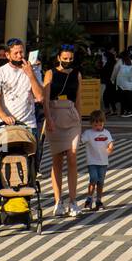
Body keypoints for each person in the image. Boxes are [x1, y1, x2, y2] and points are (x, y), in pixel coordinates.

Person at [0, 38, 44, 166]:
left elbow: (40, 97)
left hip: (29, 126)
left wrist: (30, 75)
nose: (19, 56)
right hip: (4, 127)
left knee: (30, 164)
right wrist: (4, 117)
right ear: (8, 55)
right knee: (0, 162)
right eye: (16, 53)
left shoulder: (33, 70)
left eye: (21, 53)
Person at [43, 44, 83, 218]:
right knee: (57, 159)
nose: (67, 61)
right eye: (64, 58)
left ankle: (73, 201)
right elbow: (44, 99)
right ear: (58, 57)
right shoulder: (50, 73)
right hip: (54, 116)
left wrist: (80, 119)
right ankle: (58, 201)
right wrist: (48, 119)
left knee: (73, 155)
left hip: (71, 116)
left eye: (70, 58)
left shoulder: (77, 74)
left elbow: (79, 98)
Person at [81, 109, 114, 212]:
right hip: (92, 161)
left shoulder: (106, 133)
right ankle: (89, 199)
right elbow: (81, 140)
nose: (98, 127)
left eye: (100, 124)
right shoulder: (88, 133)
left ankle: (98, 200)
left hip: (103, 162)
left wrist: (110, 148)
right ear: (91, 124)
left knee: (100, 182)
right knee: (93, 179)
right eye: (95, 125)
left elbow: (110, 142)